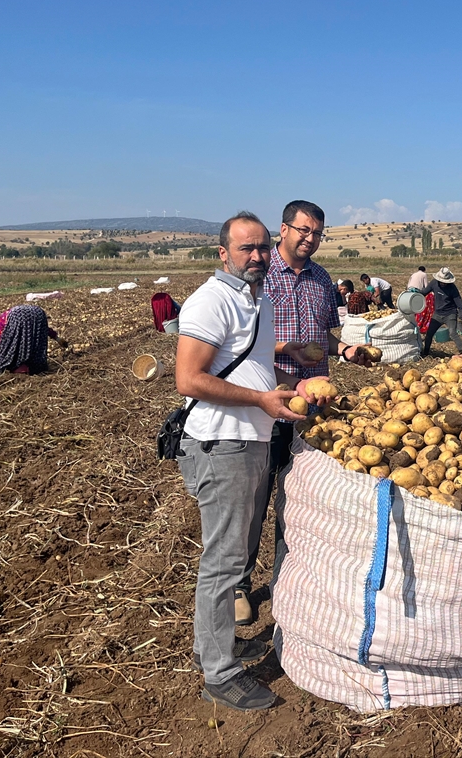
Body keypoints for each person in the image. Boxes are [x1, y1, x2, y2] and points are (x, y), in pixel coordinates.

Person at [175, 210, 333, 712]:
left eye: (262, 247)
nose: (258, 256)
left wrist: (294, 388)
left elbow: (258, 370)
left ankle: (215, 646)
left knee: (233, 554)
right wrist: (261, 401)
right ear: (223, 253)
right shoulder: (212, 301)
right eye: (246, 248)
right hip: (223, 445)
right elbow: (188, 379)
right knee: (223, 562)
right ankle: (219, 674)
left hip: (250, 440)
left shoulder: (257, 299)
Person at [257, 201, 370, 623]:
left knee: (302, 498)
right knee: (255, 498)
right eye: (303, 230)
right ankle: (239, 586)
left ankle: (289, 579)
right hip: (269, 401)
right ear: (284, 229)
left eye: (317, 233)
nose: (310, 238)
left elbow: (323, 334)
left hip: (315, 409)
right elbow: (244, 339)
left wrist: (346, 350)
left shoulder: (322, 278)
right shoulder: (261, 274)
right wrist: (287, 350)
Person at [0, 305, 57, 374]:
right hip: (39, 314)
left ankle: (18, 366)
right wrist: (56, 337)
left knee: (15, 343)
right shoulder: (7, 316)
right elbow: (45, 329)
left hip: (18, 316)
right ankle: (35, 366)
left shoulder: (4, 317)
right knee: (37, 341)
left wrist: (4, 351)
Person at [419, 267, 462, 356]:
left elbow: (460, 306)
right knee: (429, 334)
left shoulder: (452, 288)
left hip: (450, 314)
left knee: (453, 333)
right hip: (437, 314)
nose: (442, 283)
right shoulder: (434, 283)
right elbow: (424, 292)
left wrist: (460, 321)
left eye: (445, 282)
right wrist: (416, 292)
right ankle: (426, 353)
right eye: (441, 281)